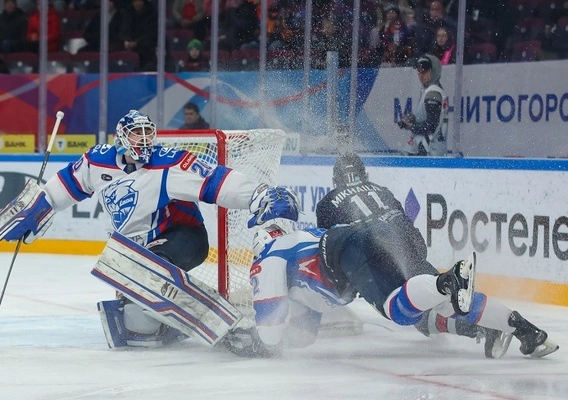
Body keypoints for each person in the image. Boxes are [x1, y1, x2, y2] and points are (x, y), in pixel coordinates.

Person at [0, 109, 300, 347]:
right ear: (122, 137)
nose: (145, 140)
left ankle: (225, 327)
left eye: (148, 134)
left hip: (184, 237)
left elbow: (214, 179)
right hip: (139, 252)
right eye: (137, 134)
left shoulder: (167, 163)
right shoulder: (98, 162)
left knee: (143, 270)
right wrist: (40, 207)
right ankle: (170, 325)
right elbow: (67, 184)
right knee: (133, 329)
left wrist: (257, 194)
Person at [221, 219, 558, 359]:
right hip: (377, 235)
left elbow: (271, 334)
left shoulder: (269, 255)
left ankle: (448, 281)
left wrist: (255, 343)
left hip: (346, 252)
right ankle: (530, 332)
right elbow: (305, 331)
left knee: (399, 311)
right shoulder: (300, 241)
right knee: (439, 307)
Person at [315, 153, 512, 357]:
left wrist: (348, 283)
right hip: (409, 251)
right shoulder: (382, 191)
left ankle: (480, 328)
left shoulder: (327, 203)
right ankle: (496, 322)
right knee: (445, 298)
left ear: (335, 180)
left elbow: (331, 251)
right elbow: (409, 232)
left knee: (418, 315)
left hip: (374, 261)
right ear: (364, 174)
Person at [397, 54, 449, 156]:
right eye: (419, 71)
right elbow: (430, 120)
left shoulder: (433, 92)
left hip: (429, 151)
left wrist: (411, 126)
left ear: (433, 71)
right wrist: (413, 119)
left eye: (424, 71)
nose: (421, 75)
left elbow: (430, 126)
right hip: (433, 149)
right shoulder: (431, 89)